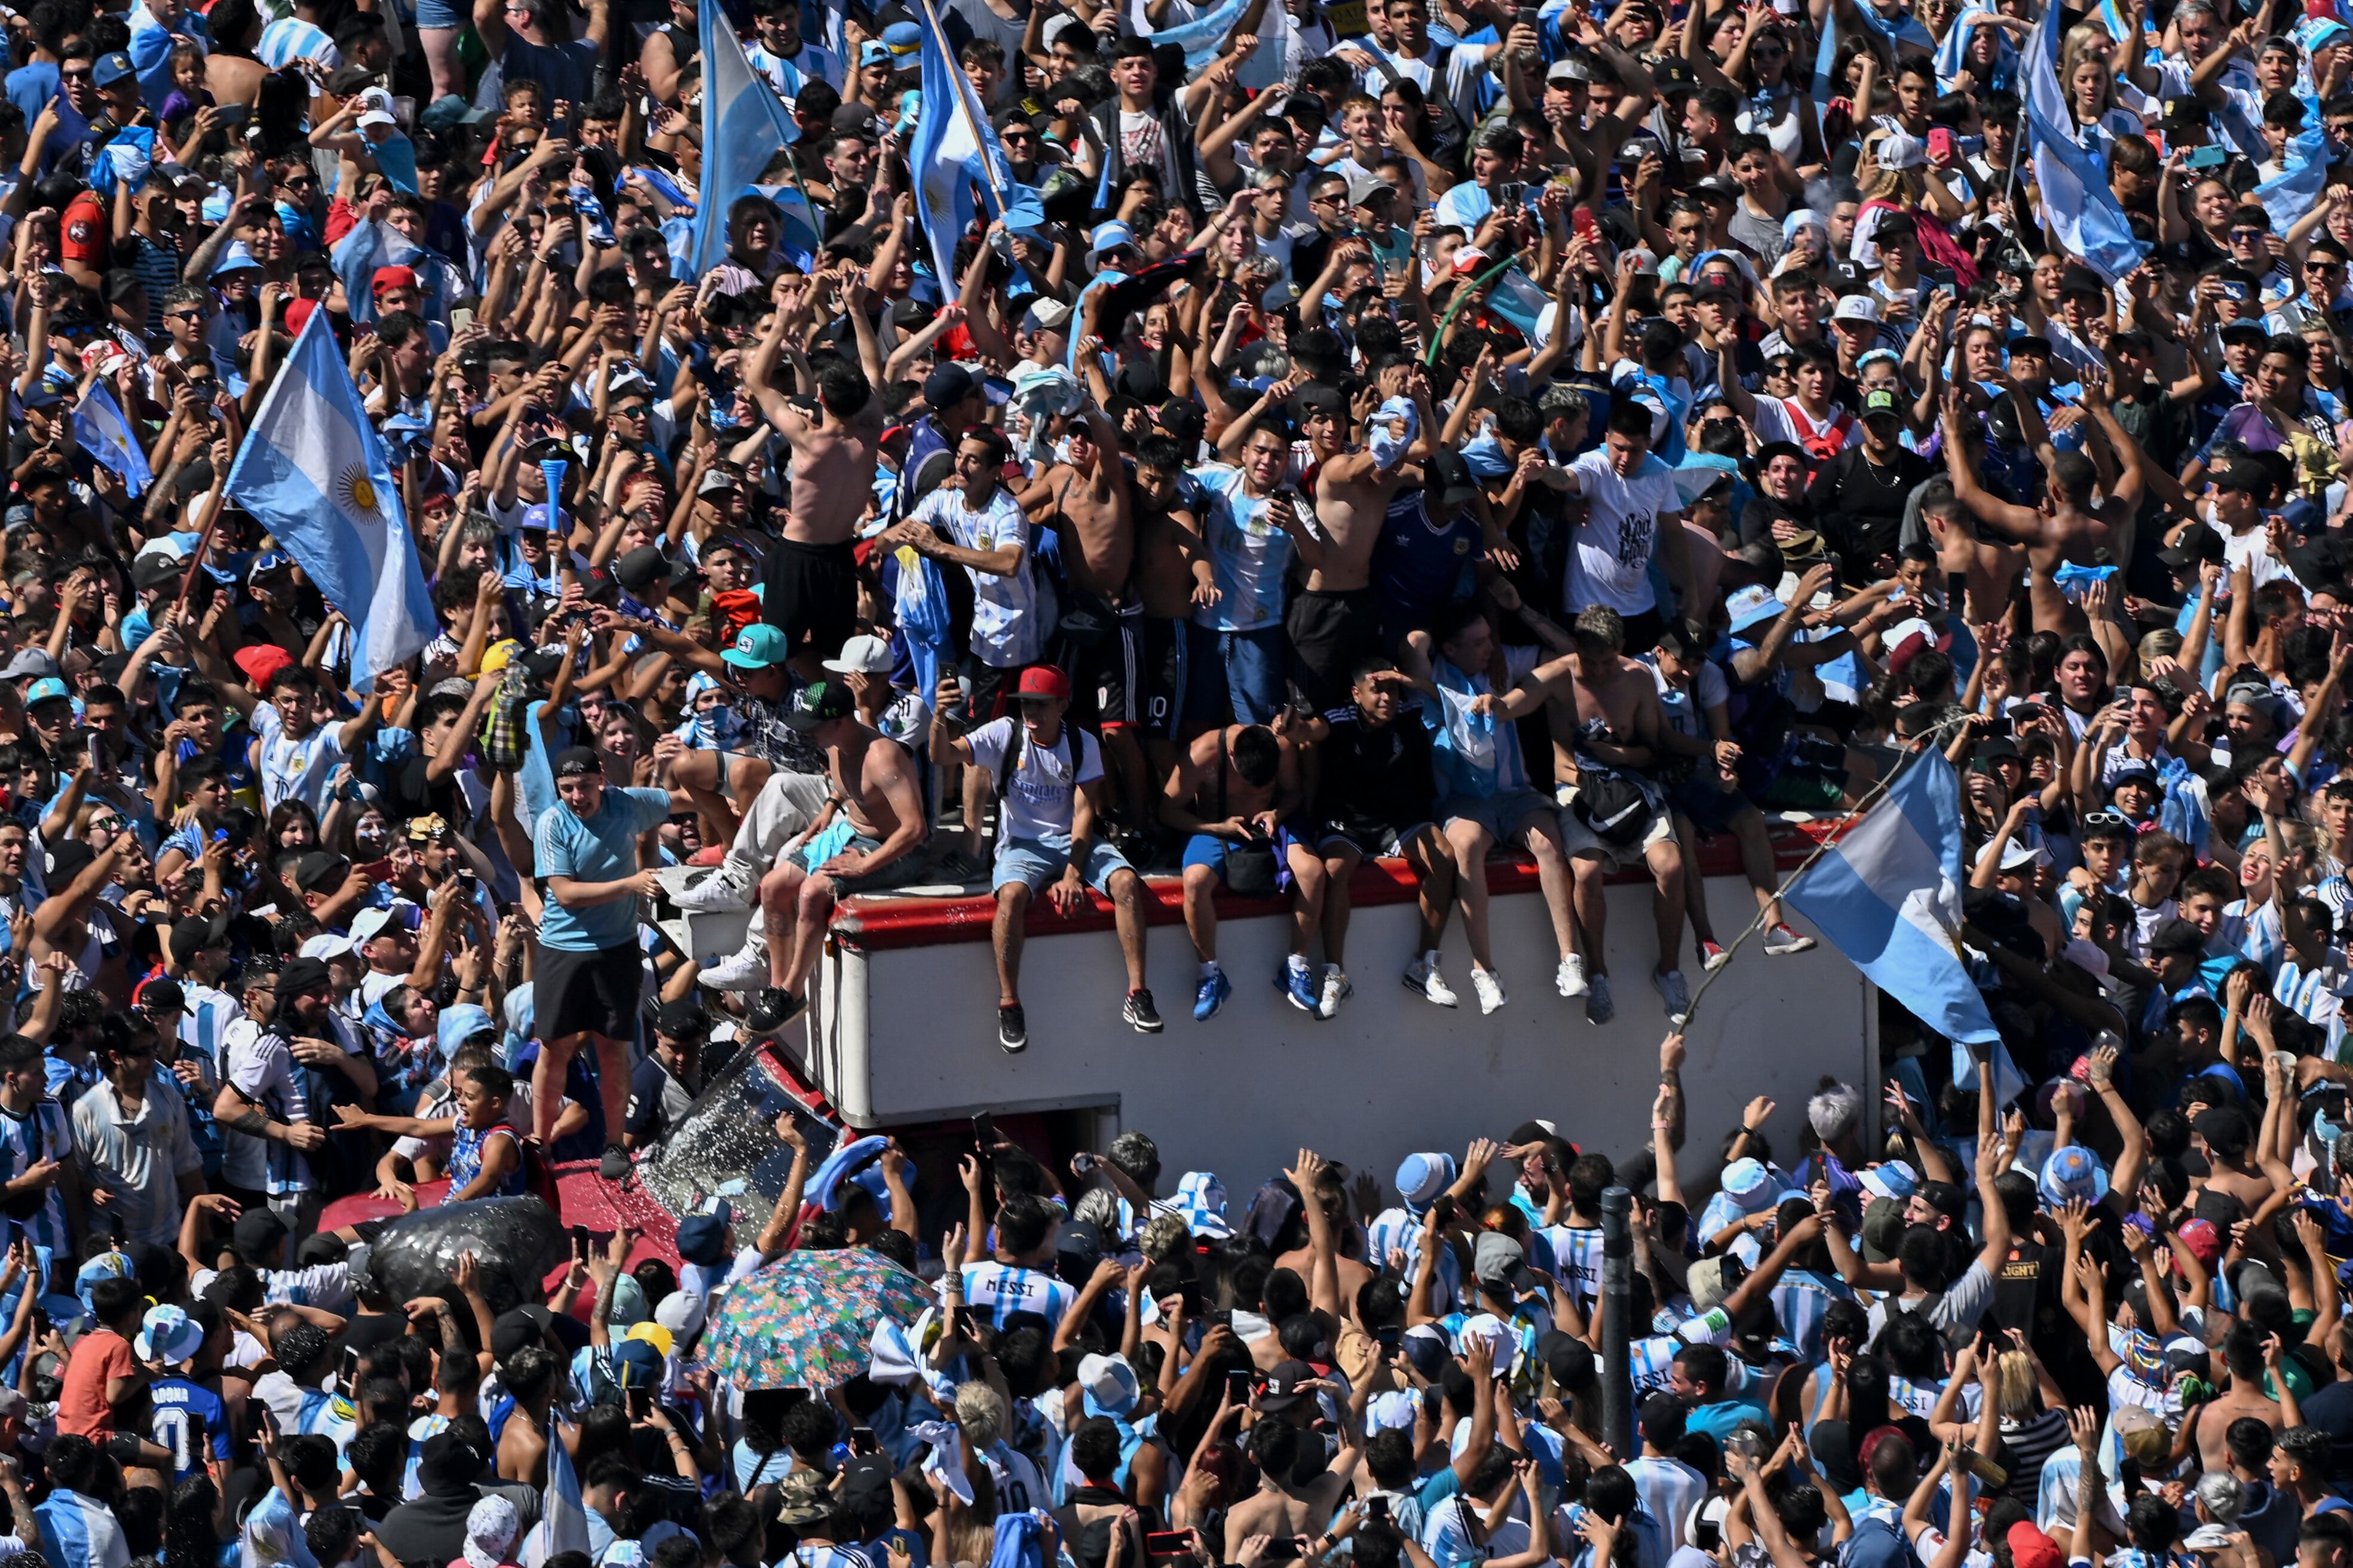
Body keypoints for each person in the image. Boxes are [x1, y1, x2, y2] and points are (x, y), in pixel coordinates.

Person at [930, 664, 1160, 1051]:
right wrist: (938, 716)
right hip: (1021, 845)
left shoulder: (1082, 742)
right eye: (1026, 705)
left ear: (1063, 705)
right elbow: (942, 756)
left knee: (1125, 882)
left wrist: (1073, 873)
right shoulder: (1005, 733)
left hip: (1072, 841)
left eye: (1041, 705)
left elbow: (1086, 812)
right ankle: (1009, 1004)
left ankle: (1137, 993)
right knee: (1011, 897)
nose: (1031, 714)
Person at [532, 745, 672, 1183]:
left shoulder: (628, 803)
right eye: (568, 788)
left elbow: (680, 798)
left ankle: (615, 1143)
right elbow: (566, 893)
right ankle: (541, 1142)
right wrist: (631, 883)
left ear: (602, 781)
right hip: (563, 947)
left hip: (617, 948)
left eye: (585, 786)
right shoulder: (552, 822)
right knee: (554, 1048)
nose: (577, 796)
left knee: (611, 1049)